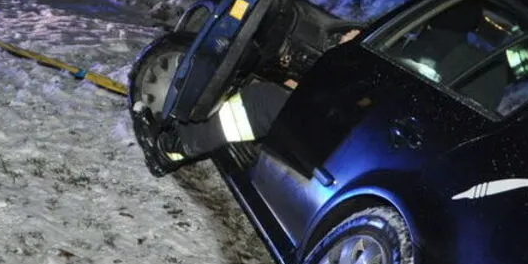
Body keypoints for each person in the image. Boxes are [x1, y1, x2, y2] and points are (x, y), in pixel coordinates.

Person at [138, 29, 361, 172]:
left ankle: (170, 148)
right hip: (355, 141)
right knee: (279, 95)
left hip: (349, 152)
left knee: (262, 102)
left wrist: (350, 53)